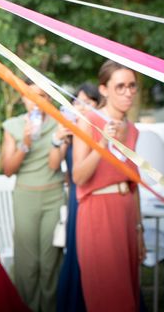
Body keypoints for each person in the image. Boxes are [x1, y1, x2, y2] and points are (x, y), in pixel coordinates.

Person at [72, 60, 144, 312]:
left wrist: (139, 229)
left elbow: (132, 182)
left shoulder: (133, 129)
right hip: (98, 212)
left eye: (132, 86)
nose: (128, 92)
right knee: (109, 296)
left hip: (126, 213)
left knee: (129, 293)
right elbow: (78, 176)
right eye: (120, 86)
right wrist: (102, 145)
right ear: (104, 89)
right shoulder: (88, 121)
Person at [1, 80, 65, 312]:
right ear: (23, 98)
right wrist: (25, 143)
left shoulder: (61, 123)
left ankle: (50, 307)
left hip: (54, 197)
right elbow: (8, 170)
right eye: (31, 96)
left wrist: (59, 139)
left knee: (50, 264)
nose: (37, 101)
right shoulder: (13, 126)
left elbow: (56, 163)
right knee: (28, 265)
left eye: (43, 96)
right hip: (25, 197)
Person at [56, 83, 100, 312]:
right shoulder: (70, 131)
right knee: (76, 249)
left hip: (96, 195)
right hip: (76, 195)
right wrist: (62, 137)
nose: (82, 107)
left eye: (89, 103)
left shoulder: (99, 131)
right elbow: (57, 165)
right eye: (78, 102)